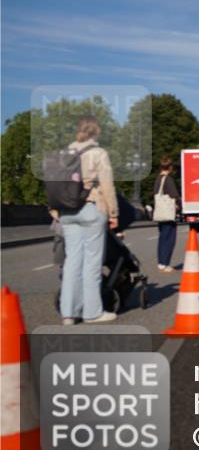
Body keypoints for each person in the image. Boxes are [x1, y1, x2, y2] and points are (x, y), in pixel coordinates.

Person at [58, 116, 119, 324]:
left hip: (67, 211)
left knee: (72, 261)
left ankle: (68, 313)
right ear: (97, 132)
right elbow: (107, 186)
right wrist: (113, 213)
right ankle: (92, 312)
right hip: (91, 207)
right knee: (92, 263)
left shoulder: (64, 154)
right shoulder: (98, 153)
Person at [154, 156, 180, 272]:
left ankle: (161, 262)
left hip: (160, 212)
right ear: (170, 167)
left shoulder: (158, 179)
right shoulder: (168, 179)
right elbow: (174, 194)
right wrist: (179, 203)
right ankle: (165, 263)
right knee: (169, 238)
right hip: (168, 213)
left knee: (162, 238)